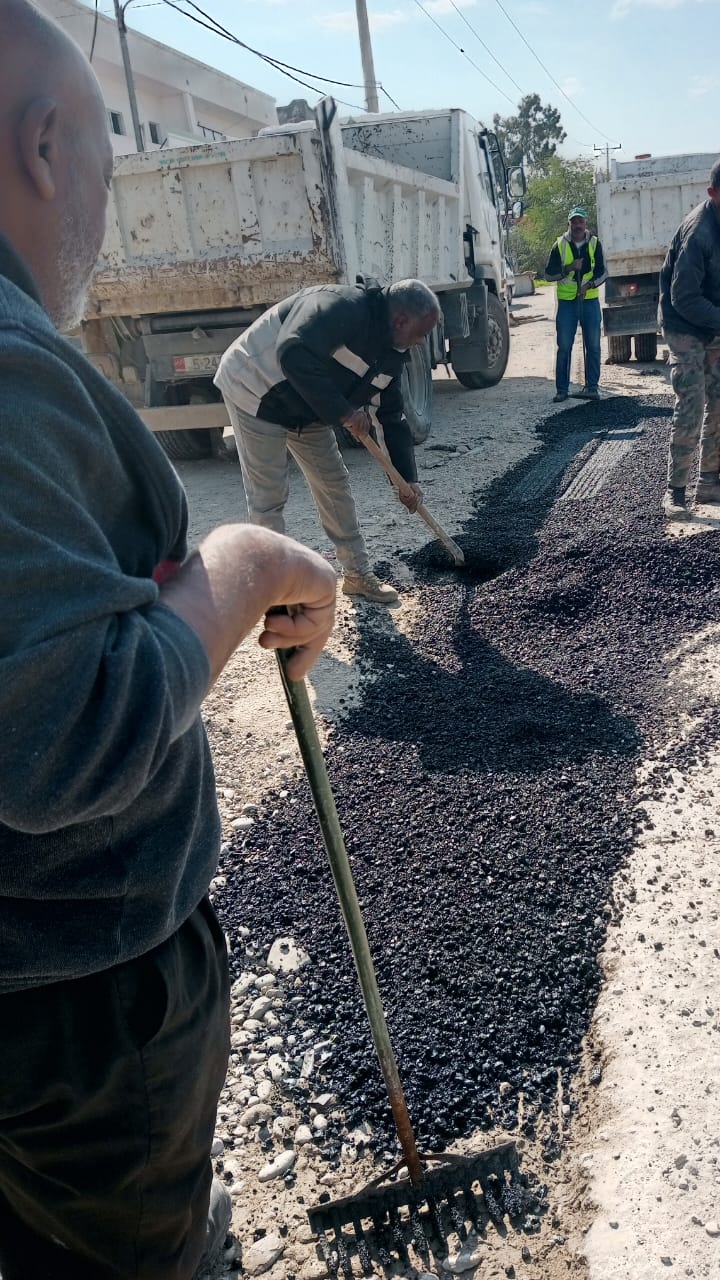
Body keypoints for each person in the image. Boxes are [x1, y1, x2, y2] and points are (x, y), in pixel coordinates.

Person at [0, 4, 339, 1277]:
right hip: (71, 1004)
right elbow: (66, 729)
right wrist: (244, 563)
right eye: (108, 160)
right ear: (44, 146)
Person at [214, 278, 441, 605]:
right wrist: (345, 412)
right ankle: (273, 595)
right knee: (269, 497)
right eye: (422, 333)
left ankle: (358, 575)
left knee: (333, 482)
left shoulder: (391, 354)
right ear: (401, 321)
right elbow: (293, 352)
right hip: (256, 389)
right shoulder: (339, 307)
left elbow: (390, 418)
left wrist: (406, 480)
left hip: (308, 407)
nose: (422, 342)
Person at [658, 157, 720, 518]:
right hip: (683, 322)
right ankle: (676, 491)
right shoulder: (698, 234)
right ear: (712, 193)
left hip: (714, 317)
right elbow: (683, 298)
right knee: (692, 403)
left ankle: (710, 481)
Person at [544, 206, 607, 403]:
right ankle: (562, 390)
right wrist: (569, 268)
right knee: (564, 346)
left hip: (589, 301)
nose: (577, 225)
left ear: (585, 223)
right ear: (569, 223)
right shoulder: (559, 245)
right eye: (574, 221)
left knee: (593, 346)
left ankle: (592, 387)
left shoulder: (595, 244)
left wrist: (588, 285)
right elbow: (548, 274)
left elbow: (603, 272)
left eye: (580, 221)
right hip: (567, 304)